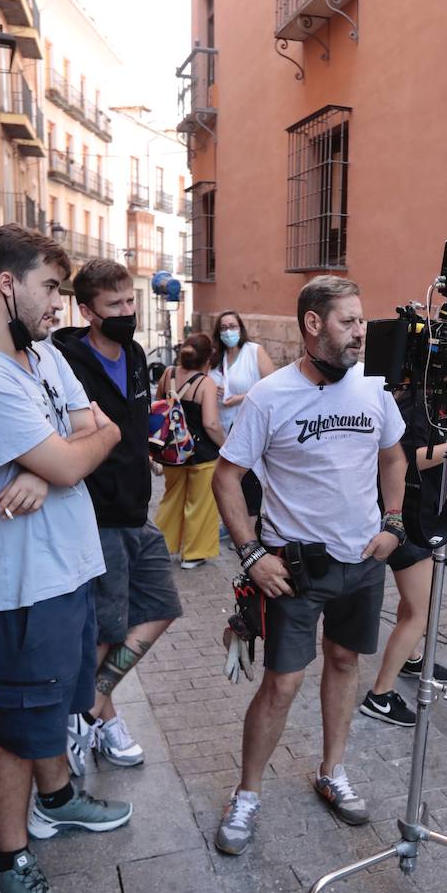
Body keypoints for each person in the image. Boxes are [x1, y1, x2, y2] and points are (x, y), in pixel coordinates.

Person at [0, 224, 127, 893]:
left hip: (67, 567)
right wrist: (64, 459)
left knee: (54, 710)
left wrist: (51, 470)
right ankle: (9, 860)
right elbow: (78, 448)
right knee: (20, 732)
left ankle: (60, 798)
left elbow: (99, 426)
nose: (59, 305)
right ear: (7, 284)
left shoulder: (40, 354)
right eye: (50, 288)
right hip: (22, 588)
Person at [211, 275, 407, 856]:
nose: (360, 333)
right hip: (293, 570)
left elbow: (393, 456)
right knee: (282, 683)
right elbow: (227, 479)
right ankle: (246, 795)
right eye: (348, 322)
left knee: (345, 663)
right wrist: (251, 556)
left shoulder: (374, 393)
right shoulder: (270, 397)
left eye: (361, 322)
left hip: (363, 564)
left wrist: (393, 523)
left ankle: (332, 770)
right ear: (313, 325)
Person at [52, 259, 183, 776]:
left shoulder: (132, 353)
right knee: (105, 632)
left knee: (162, 607)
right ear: (86, 310)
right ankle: (93, 721)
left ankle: (93, 706)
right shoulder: (64, 361)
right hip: (94, 515)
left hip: (136, 510)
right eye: (114, 306)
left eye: (131, 303)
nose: (127, 313)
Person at [358, 391, 447, 727]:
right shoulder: (413, 400)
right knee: (420, 613)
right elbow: (407, 456)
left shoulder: (429, 396)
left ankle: (412, 658)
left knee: (412, 604)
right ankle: (380, 694)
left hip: (418, 512)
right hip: (410, 515)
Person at [154, 333, 227, 569]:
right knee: (201, 503)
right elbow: (211, 424)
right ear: (209, 359)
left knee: (171, 499)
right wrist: (226, 445)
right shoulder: (206, 383)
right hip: (200, 452)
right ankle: (194, 554)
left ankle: (161, 548)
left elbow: (158, 407)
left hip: (172, 452)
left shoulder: (168, 374)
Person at [208, 310, 275, 435]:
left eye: (232, 327)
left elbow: (272, 388)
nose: (228, 331)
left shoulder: (254, 351)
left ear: (240, 329)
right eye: (223, 328)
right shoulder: (215, 357)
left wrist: (241, 398)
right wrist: (213, 389)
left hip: (249, 425)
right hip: (221, 427)